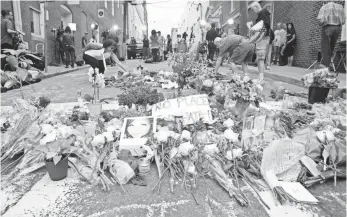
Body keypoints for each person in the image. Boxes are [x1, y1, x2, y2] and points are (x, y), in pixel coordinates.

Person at [317, 1, 345, 68]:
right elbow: (343, 21)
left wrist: (321, 23)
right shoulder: (340, 7)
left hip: (327, 27)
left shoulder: (324, 7)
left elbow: (321, 20)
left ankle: (324, 66)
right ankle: (327, 66)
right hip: (337, 28)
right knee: (331, 47)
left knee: (325, 46)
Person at [250, 2, 271, 81]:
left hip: (262, 38)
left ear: (256, 7)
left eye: (253, 9)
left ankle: (261, 77)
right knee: (260, 58)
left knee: (261, 58)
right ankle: (260, 75)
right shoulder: (264, 14)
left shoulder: (262, 14)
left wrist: (254, 29)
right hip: (263, 37)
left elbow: (264, 26)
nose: (253, 11)